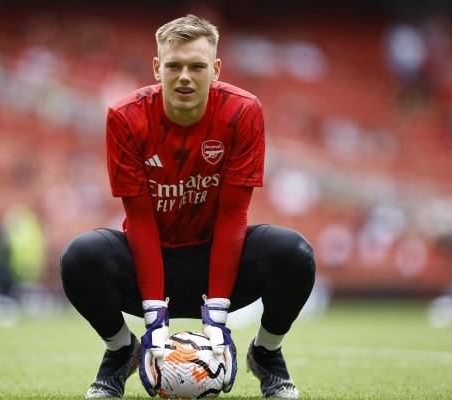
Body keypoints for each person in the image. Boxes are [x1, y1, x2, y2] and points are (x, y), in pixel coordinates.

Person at [60, 14, 316, 399]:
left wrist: (216, 315)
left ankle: (266, 353)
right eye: (174, 65)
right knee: (79, 257)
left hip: (217, 259)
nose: (184, 76)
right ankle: (120, 351)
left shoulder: (242, 111)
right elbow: (141, 220)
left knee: (295, 253)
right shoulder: (125, 117)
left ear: (214, 70)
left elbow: (233, 216)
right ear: (156, 67)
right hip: (150, 260)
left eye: (196, 66)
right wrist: (153, 316)